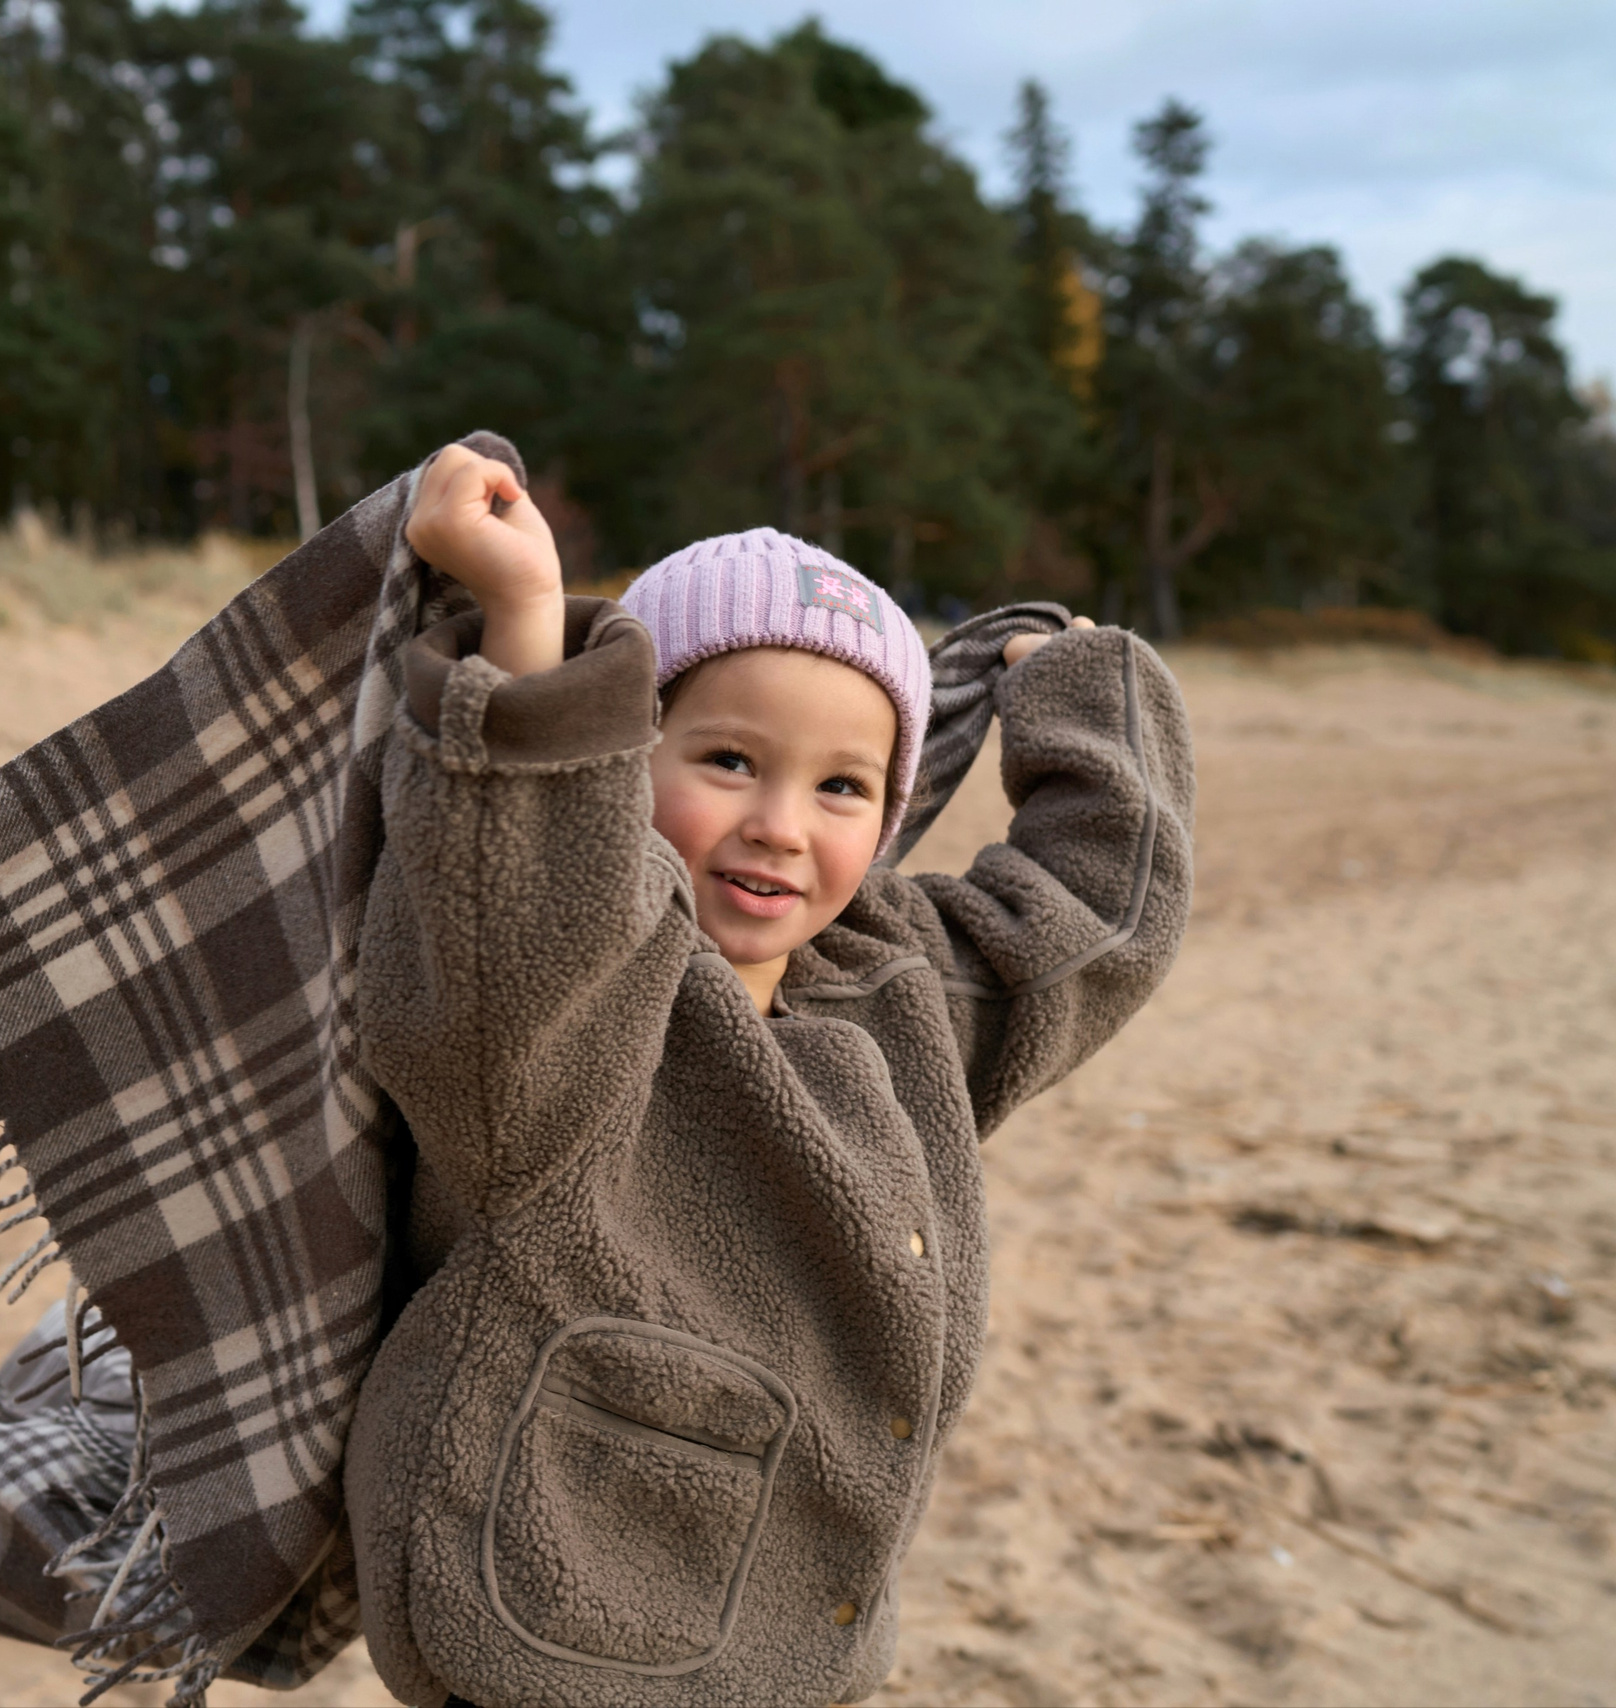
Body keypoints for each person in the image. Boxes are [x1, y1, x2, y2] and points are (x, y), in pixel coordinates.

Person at [343, 446, 1195, 1708]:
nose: (781, 826)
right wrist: (525, 620)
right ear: (622, 760)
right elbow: (507, 883)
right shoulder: (569, 988)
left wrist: (1079, 695)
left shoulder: (888, 980)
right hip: (551, 1622)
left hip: (792, 1642)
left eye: (843, 785)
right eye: (729, 761)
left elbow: (1087, 934)